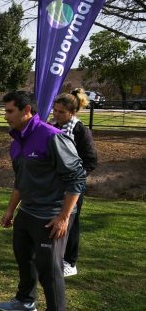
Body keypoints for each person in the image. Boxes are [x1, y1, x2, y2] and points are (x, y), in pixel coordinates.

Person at [0, 91, 86, 311]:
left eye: (9, 111)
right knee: (24, 258)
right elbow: (21, 180)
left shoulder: (52, 137)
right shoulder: (17, 141)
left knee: (50, 269)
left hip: (50, 216)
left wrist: (63, 217)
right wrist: (10, 209)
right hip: (27, 212)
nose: (5, 116)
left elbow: (77, 178)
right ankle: (25, 301)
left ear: (27, 111)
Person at [52, 89, 98, 277]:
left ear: (72, 112)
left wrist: (76, 177)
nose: (56, 114)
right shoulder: (52, 127)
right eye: (55, 110)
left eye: (61, 112)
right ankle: (54, 255)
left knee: (71, 222)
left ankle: (70, 261)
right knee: (53, 218)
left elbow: (90, 160)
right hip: (54, 185)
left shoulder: (80, 130)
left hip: (73, 187)